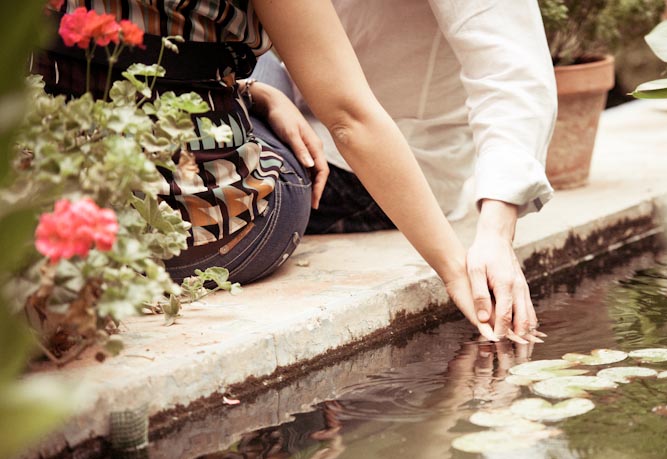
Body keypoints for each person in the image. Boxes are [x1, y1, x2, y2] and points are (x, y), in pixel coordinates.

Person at [36, 0, 497, 340]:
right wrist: (456, 269)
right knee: (290, 118)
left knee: (272, 80)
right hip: (204, 234)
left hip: (50, 217)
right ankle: (257, 101)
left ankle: (253, 93)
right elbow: (349, 118)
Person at [252, 0, 557, 344]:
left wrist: (495, 235)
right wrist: (259, 93)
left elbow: (511, 73)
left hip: (375, 167)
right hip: (302, 109)